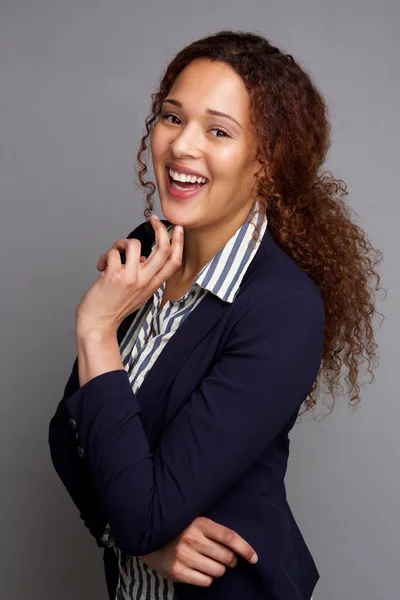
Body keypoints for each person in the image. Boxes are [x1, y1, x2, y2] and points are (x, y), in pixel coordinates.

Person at [48, 29, 384, 600]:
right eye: (172, 117)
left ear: (267, 163)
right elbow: (67, 435)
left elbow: (144, 511)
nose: (181, 146)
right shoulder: (145, 253)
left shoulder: (282, 311)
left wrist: (97, 329)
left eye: (219, 131)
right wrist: (130, 538)